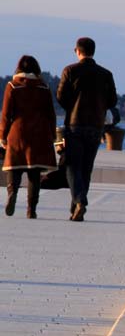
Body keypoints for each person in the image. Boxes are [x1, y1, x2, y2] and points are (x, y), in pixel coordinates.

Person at [57, 37, 117, 221]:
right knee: (86, 168)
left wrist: (72, 106)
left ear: (77, 51)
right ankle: (75, 207)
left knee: (72, 166)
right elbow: (113, 100)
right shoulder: (106, 74)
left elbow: (61, 97)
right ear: (93, 51)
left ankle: (80, 200)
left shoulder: (70, 71)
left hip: (75, 125)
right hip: (96, 126)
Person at [1, 55, 57, 219]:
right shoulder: (44, 88)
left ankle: (12, 193)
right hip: (40, 134)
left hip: (17, 132)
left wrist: (2, 136)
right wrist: (52, 135)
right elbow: (50, 114)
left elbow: (6, 114)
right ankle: (31, 209)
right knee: (34, 174)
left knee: (14, 167)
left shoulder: (12, 86)